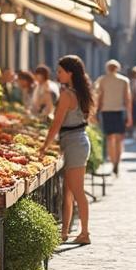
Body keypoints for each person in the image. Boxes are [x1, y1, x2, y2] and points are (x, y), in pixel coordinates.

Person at [41, 55, 93, 245]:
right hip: (76, 141)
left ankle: (85, 233)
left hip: (74, 143)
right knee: (68, 191)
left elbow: (57, 123)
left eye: (60, 71)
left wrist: (45, 145)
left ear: (69, 73)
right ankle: (64, 232)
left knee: (77, 191)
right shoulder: (78, 92)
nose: (58, 74)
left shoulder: (67, 94)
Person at [93, 59, 133, 176]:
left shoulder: (102, 80)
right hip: (119, 111)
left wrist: (96, 112)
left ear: (107, 68)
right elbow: (128, 99)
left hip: (107, 111)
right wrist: (130, 115)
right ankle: (117, 163)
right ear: (118, 68)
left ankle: (113, 161)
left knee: (110, 138)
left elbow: (99, 98)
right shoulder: (124, 80)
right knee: (119, 139)